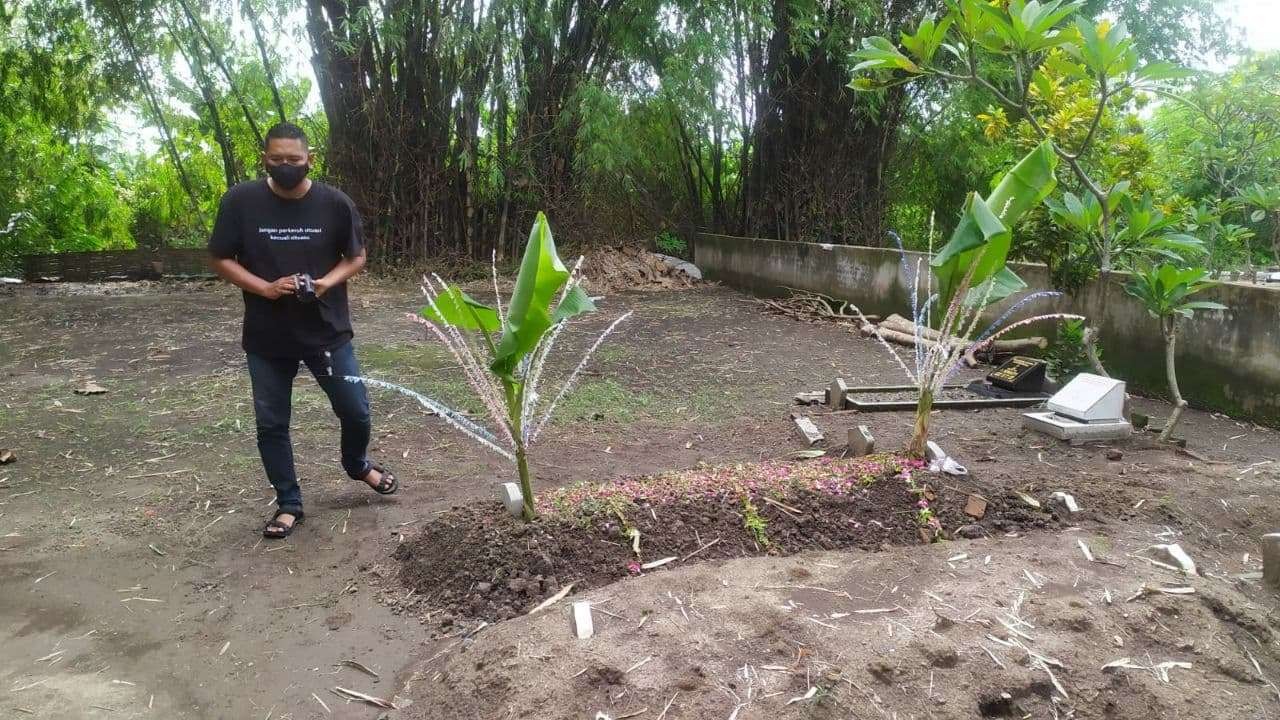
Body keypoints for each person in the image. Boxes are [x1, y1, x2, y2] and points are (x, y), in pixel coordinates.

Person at [208, 122, 397, 539]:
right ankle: (289, 503)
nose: (285, 166)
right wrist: (266, 289)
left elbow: (357, 256)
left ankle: (357, 464)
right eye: (277, 159)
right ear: (265, 159)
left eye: (294, 159)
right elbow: (220, 257)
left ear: (310, 158)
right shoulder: (241, 201)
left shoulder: (334, 203)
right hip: (267, 337)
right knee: (271, 424)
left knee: (355, 409)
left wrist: (327, 282)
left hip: (326, 331)